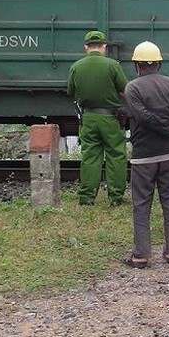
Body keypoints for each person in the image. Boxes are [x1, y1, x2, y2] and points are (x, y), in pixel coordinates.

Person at [121, 41, 169, 269]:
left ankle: (141, 255)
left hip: (144, 157)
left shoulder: (132, 88)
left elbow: (142, 118)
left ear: (137, 65)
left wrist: (162, 125)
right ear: (158, 64)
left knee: (141, 205)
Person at [67, 30, 129, 206]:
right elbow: (125, 90)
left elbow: (71, 92)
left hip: (88, 117)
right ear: (104, 46)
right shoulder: (112, 65)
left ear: (86, 47)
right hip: (110, 118)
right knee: (116, 154)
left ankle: (87, 198)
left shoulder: (76, 67)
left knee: (90, 156)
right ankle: (116, 197)